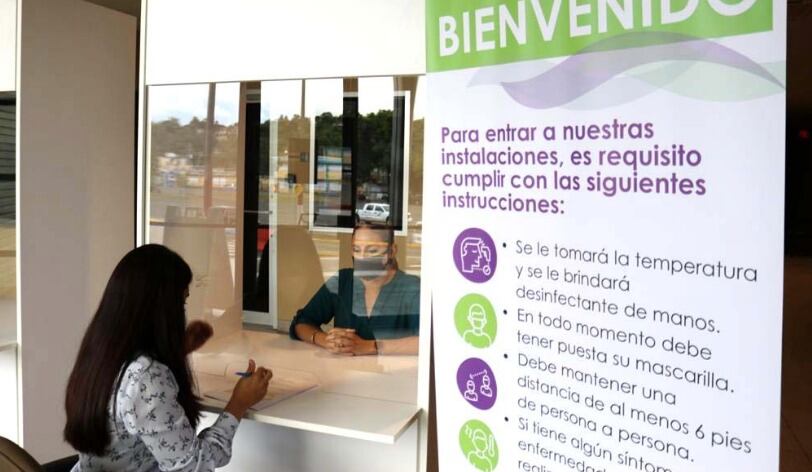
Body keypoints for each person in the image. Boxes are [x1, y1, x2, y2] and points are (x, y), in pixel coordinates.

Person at [64, 244, 272, 472]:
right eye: (182, 302)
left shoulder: (100, 351)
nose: (182, 312)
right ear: (161, 309)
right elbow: (194, 466)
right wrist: (239, 403)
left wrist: (176, 350)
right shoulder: (147, 377)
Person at [289, 224, 419, 355]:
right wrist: (325, 340)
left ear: (391, 251)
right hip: (343, 367)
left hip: (392, 368)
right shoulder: (342, 281)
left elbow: (426, 340)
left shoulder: (411, 287)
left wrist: (371, 347)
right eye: (356, 250)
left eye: (372, 251)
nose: (362, 257)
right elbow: (302, 322)